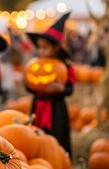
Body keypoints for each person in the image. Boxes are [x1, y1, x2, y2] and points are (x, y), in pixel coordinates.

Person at [25, 12, 75, 156]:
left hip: (56, 108)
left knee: (56, 137)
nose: (41, 51)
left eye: (45, 47)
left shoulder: (65, 66)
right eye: (39, 47)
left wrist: (62, 89)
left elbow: (70, 89)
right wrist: (28, 84)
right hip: (38, 105)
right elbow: (33, 88)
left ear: (56, 48)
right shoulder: (35, 63)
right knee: (36, 134)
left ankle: (58, 159)